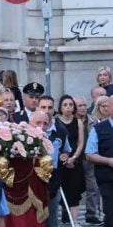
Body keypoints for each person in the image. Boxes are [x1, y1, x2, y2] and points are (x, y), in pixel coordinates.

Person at [55, 95, 86, 223]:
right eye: (65, 105)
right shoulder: (55, 122)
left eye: (70, 105)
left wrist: (74, 157)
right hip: (60, 161)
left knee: (74, 191)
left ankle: (74, 221)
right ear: (61, 107)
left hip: (74, 161)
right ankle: (64, 219)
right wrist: (62, 158)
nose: (68, 107)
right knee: (62, 191)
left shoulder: (78, 122)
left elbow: (80, 142)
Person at [75, 96, 104, 225]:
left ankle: (91, 214)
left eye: (84, 105)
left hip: (90, 159)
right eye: (79, 105)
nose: (82, 108)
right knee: (73, 187)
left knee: (93, 187)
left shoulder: (94, 121)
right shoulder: (71, 122)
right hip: (75, 158)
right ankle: (67, 213)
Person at [84, 103, 113, 227]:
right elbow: (89, 154)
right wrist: (108, 161)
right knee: (111, 213)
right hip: (108, 179)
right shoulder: (98, 129)